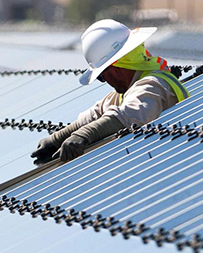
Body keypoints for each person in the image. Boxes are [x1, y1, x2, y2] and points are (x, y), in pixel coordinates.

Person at [31, 19, 190, 165]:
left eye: (101, 77)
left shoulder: (152, 85)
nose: (106, 82)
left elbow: (126, 115)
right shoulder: (131, 88)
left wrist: (83, 135)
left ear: (114, 70)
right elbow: (97, 113)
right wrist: (55, 140)